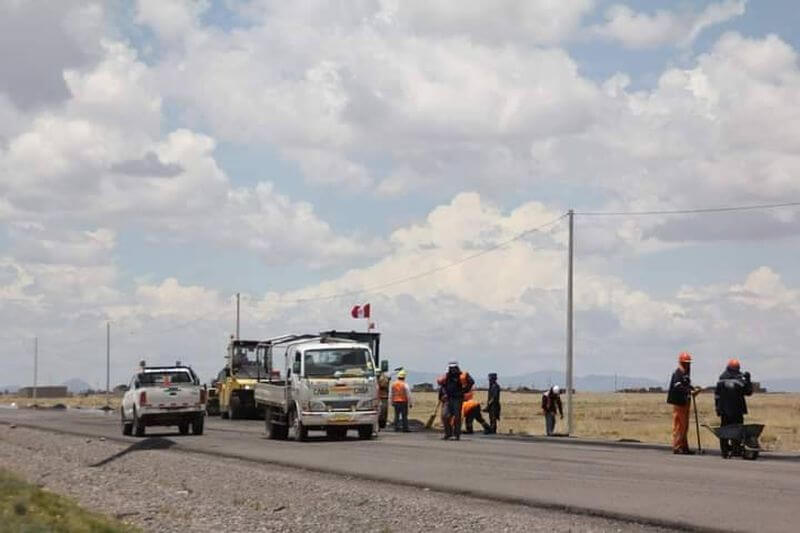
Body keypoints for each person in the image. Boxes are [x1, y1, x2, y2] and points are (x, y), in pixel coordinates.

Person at [715, 358, 754, 458]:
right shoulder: (739, 380)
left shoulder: (721, 378)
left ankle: (724, 452)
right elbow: (749, 392)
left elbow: (717, 395)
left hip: (724, 410)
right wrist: (748, 379)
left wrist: (717, 408)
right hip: (736, 410)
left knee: (724, 431)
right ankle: (735, 450)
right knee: (737, 430)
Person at [667, 351, 699, 455]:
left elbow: (685, 385)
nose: (688, 365)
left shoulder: (685, 373)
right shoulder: (679, 372)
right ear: (681, 362)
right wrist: (689, 391)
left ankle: (684, 447)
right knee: (680, 426)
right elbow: (677, 386)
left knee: (685, 426)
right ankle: (677, 447)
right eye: (686, 362)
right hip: (679, 403)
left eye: (689, 363)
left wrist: (693, 389)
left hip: (685, 402)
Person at [439, 361, 474, 440]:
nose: (452, 369)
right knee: (445, 415)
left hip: (457, 399)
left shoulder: (462, 375)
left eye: (454, 368)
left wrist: (464, 391)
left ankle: (456, 435)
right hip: (448, 398)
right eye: (451, 368)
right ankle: (448, 433)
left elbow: (471, 382)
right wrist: (443, 394)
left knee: (457, 417)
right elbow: (443, 385)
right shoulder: (447, 376)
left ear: (457, 368)